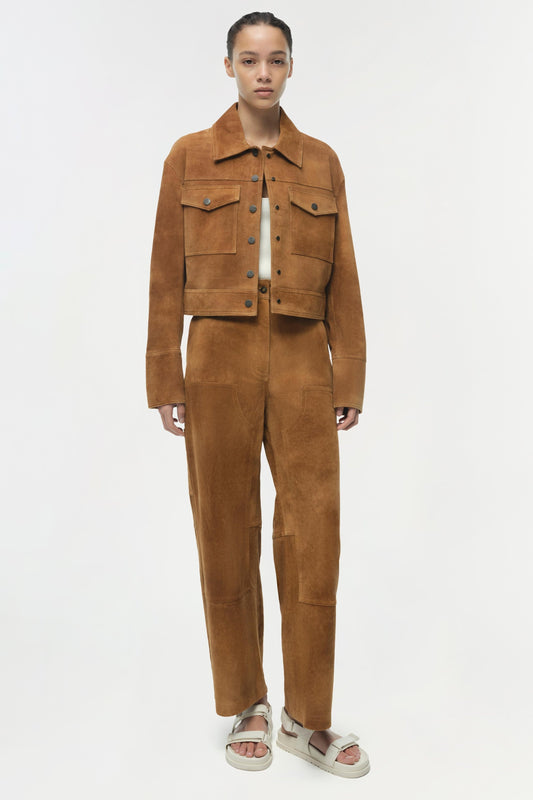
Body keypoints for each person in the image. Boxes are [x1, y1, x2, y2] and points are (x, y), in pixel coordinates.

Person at [145, 11, 370, 779]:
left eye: (275, 59)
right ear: (229, 67)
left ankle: (308, 717)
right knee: (224, 526)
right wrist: (163, 374)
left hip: (304, 356)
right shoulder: (189, 156)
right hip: (216, 355)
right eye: (249, 60)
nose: (263, 73)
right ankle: (247, 701)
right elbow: (163, 272)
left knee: (313, 532)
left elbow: (345, 274)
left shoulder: (321, 161)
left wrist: (350, 372)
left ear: (291, 67)